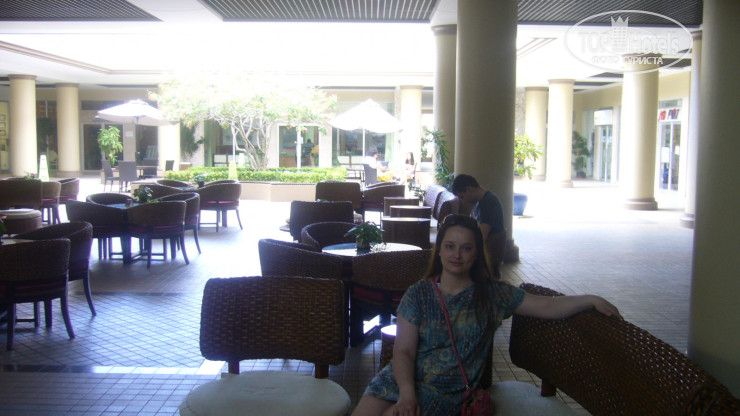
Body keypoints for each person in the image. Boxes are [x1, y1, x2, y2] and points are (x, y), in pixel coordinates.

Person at [351, 215, 621, 416]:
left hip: (445, 392)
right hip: (400, 381)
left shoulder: (492, 295)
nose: (457, 255)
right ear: (440, 250)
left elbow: (547, 307)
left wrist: (590, 299)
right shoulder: (419, 293)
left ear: (477, 253)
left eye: (466, 248)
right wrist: (406, 394)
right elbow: (404, 351)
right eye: (450, 246)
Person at [451, 174, 506, 277]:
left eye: (462, 197)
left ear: (469, 189)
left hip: (486, 254)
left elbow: (481, 236)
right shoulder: (480, 201)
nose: (463, 201)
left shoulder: (488, 203)